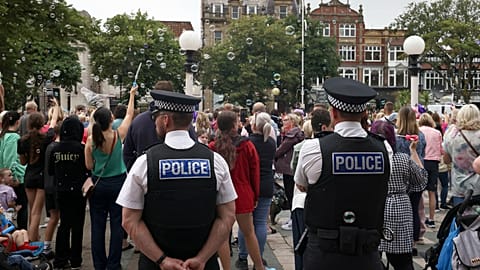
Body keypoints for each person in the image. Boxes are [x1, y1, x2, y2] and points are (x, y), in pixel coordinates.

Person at [117, 90, 237, 270]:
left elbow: (129, 221)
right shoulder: (215, 161)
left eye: (155, 118)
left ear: (165, 120)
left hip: (155, 265)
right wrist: (202, 258)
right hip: (203, 264)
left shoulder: (145, 163)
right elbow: (227, 216)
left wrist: (162, 260)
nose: (154, 123)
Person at [294, 77, 392, 270]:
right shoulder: (384, 148)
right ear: (364, 112)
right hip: (367, 252)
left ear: (333, 113)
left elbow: (301, 185)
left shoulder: (314, 148)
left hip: (324, 253)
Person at [84, 85, 136, 270]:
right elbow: (129, 115)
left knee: (97, 227)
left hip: (99, 184)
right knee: (117, 225)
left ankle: (99, 264)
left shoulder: (91, 140)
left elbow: (89, 166)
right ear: (111, 119)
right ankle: (114, 264)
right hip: (118, 183)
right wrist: (131, 96)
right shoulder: (118, 135)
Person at [209, 110, 264, 270]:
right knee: (249, 232)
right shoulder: (247, 145)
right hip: (243, 192)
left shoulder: (213, 146)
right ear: (234, 125)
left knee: (223, 237)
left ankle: (226, 268)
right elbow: (255, 172)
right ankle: (259, 266)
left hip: (222, 195)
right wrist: (255, 195)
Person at [371, 120, 427, 270]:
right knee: (403, 261)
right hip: (400, 207)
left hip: (374, 206)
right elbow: (421, 179)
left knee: (371, 255)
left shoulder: (369, 160)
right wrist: (414, 151)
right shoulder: (402, 159)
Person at [291, 109, 333, 270]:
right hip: (320, 208)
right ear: (324, 127)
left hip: (303, 204)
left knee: (302, 252)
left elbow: (300, 183)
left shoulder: (304, 147)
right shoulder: (313, 147)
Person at [236, 112, 276, 270]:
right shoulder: (271, 142)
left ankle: (243, 256)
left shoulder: (247, 142)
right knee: (260, 223)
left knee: (245, 224)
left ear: (253, 125)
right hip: (266, 185)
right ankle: (258, 258)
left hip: (249, 185)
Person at [49, 116, 90, 269]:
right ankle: (75, 259)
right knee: (78, 225)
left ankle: (60, 258)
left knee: (64, 224)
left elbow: (51, 171)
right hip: (78, 191)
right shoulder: (81, 148)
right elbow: (88, 168)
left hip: (61, 190)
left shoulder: (55, 148)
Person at [18, 99, 59, 241]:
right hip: (42, 177)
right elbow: (53, 123)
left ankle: (33, 237)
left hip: (29, 175)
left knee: (32, 210)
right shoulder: (47, 138)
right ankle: (32, 240)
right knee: (37, 211)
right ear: (42, 124)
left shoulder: (22, 140)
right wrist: (56, 106)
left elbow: (22, 161)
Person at [443, 104, 480, 205]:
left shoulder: (451, 135)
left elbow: (446, 160)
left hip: (459, 187)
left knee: (460, 217)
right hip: (478, 187)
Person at [275, 113, 304, 231]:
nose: (283, 122)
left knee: (290, 193)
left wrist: (274, 155)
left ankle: (293, 219)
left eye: (286, 120)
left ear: (292, 122)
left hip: (288, 168)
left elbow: (281, 150)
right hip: (291, 168)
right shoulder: (297, 134)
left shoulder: (291, 135)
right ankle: (293, 218)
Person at [0, 111, 27, 230]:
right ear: (17, 122)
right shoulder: (14, 137)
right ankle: (22, 233)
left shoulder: (3, 136)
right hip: (17, 177)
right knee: (21, 207)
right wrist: (12, 176)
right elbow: (10, 159)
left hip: (3, 176)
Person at [418, 113, 443, 228]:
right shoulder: (437, 133)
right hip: (434, 163)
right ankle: (432, 218)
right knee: (432, 191)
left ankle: (420, 219)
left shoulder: (418, 131)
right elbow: (441, 149)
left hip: (421, 161)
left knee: (419, 192)